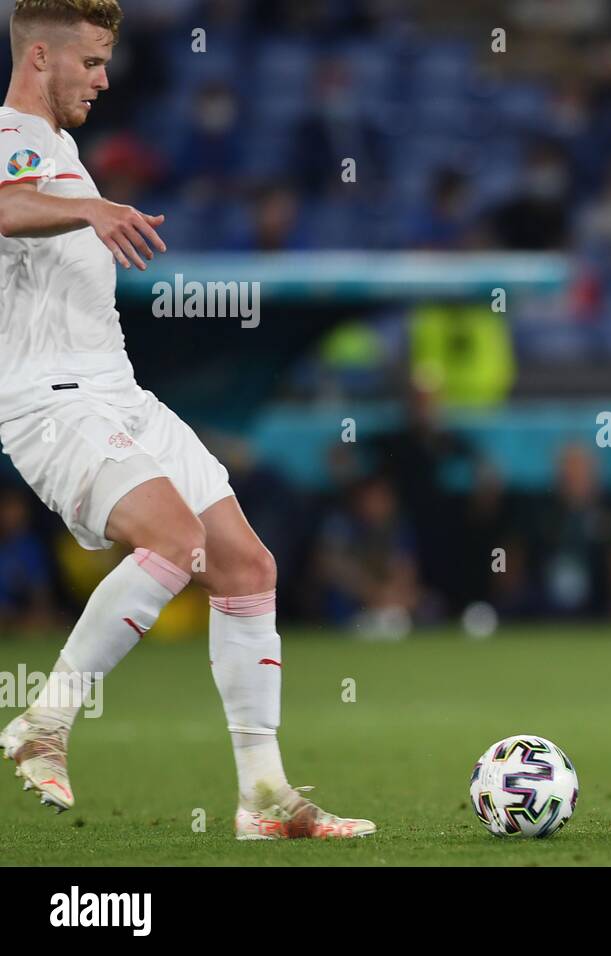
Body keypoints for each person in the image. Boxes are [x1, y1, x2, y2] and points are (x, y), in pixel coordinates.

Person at [0, 0, 372, 838]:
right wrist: (93, 211)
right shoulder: (12, 136)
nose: (102, 79)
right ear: (40, 57)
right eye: (91, 62)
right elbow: (2, 206)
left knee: (246, 566)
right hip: (51, 399)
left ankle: (265, 798)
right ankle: (45, 722)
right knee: (171, 541)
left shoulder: (56, 150)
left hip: (117, 391)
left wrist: (84, 204)